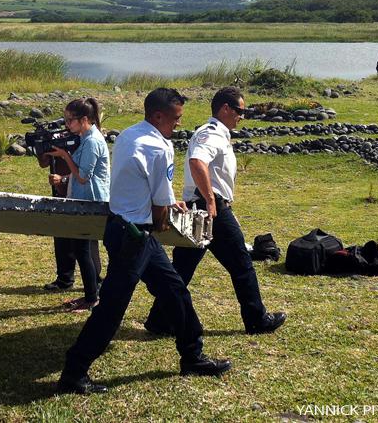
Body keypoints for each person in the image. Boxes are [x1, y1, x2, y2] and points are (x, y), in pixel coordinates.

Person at [57, 88, 231, 395]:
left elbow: (144, 186)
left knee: (174, 290)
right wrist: (167, 213)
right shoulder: (159, 148)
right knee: (112, 306)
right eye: (176, 118)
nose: (180, 123)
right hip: (134, 236)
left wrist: (163, 202)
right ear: (158, 116)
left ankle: (192, 354)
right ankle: (74, 371)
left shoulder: (129, 134)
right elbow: (159, 211)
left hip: (123, 227)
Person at [144, 87, 286, 337]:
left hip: (205, 205)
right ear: (225, 109)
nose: (242, 116)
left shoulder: (217, 134)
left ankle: (159, 319)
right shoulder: (211, 134)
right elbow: (197, 162)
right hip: (211, 208)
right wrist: (211, 201)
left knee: (182, 268)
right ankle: (257, 318)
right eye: (239, 111)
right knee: (242, 264)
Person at [45, 98, 110, 311]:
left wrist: (64, 155)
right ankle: (91, 295)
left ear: (84, 119)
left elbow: (83, 176)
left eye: (70, 120)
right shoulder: (85, 137)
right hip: (83, 199)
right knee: (80, 249)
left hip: (90, 200)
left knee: (83, 250)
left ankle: (92, 297)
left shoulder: (93, 141)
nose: (67, 125)